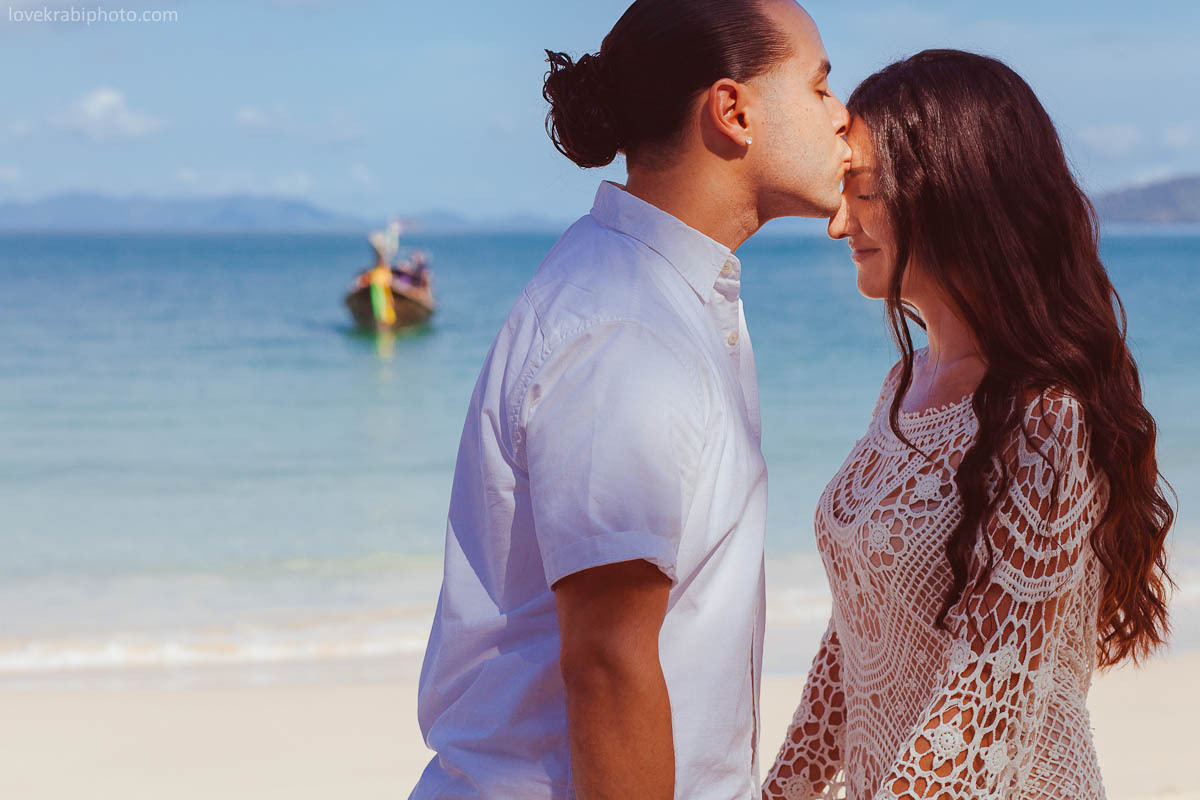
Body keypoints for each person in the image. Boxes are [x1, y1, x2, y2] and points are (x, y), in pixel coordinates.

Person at [411, 1, 850, 798]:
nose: (843, 117)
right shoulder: (629, 329)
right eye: (820, 88)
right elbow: (608, 663)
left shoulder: (665, 299)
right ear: (733, 111)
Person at [763, 50, 1174, 800]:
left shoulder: (1048, 421)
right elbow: (855, 642)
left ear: (952, 193)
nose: (837, 223)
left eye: (864, 192)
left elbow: (982, 706)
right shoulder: (904, 384)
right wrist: (781, 791)